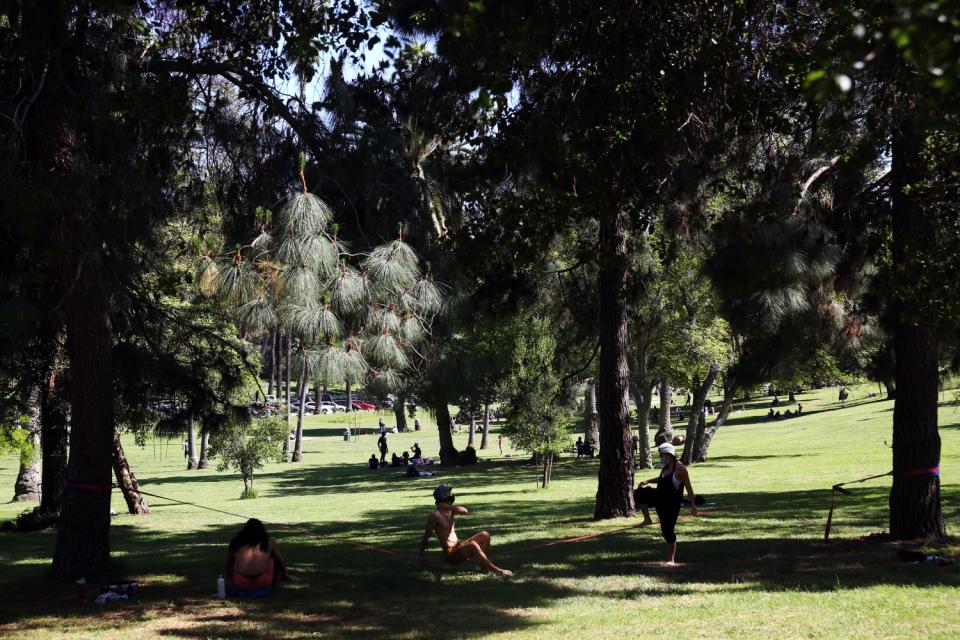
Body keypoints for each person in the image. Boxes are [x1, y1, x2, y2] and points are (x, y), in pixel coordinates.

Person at [418, 485, 512, 576]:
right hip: (450, 555)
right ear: (443, 496)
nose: (451, 495)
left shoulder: (450, 511)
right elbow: (426, 536)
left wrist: (447, 507)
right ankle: (498, 570)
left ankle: (484, 567)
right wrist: (421, 555)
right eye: (448, 493)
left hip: (458, 547)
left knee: (485, 535)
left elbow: (464, 511)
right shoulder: (435, 516)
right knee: (473, 545)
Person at [634, 443, 697, 565]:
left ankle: (670, 559)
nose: (661, 457)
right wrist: (648, 481)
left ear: (668, 454)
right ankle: (647, 519)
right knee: (640, 493)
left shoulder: (681, 470)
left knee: (667, 531)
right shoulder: (666, 466)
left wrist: (693, 505)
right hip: (659, 497)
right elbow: (661, 479)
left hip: (671, 504)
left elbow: (689, 489)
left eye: (661, 454)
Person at [225, 519, 289, 593]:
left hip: (241, 583)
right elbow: (279, 560)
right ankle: (274, 585)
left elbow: (228, 562)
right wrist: (284, 575)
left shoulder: (237, 542)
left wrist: (229, 576)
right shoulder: (269, 541)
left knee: (235, 560)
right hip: (264, 581)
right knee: (271, 559)